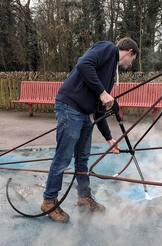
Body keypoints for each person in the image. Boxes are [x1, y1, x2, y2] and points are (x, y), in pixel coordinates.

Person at [41, 38, 139, 222]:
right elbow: (83, 64)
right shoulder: (108, 48)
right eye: (132, 60)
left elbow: (100, 110)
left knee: (82, 159)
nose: (130, 64)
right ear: (129, 52)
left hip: (83, 113)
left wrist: (110, 139)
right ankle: (48, 201)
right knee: (63, 158)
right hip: (70, 107)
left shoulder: (109, 73)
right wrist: (102, 92)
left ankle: (84, 197)